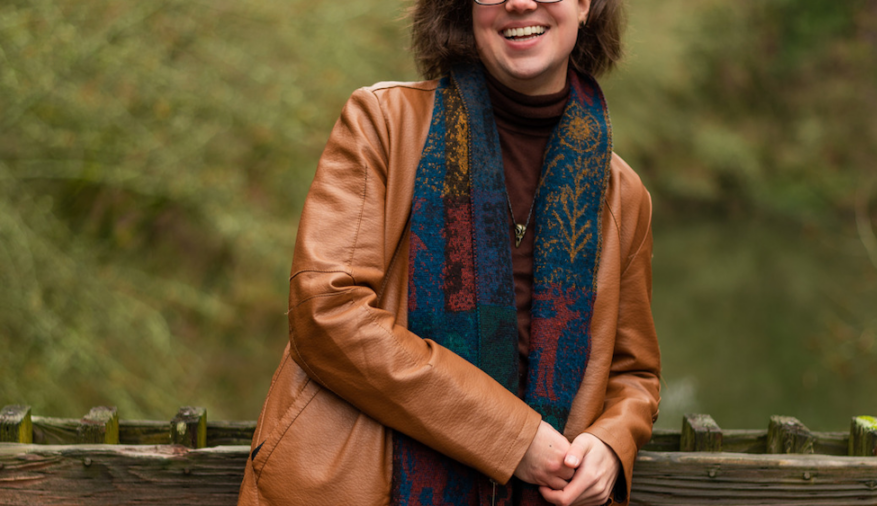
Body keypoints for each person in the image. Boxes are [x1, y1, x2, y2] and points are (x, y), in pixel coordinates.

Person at [237, 0, 660, 504]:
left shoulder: (622, 194)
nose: (520, 2)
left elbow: (634, 374)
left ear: (586, 5)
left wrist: (611, 443)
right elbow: (325, 312)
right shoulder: (383, 123)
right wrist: (511, 438)